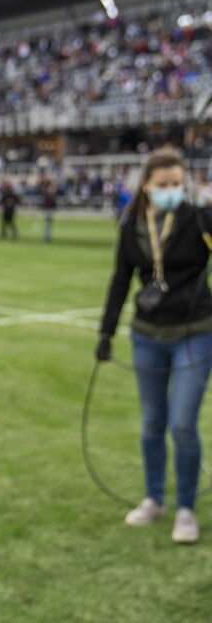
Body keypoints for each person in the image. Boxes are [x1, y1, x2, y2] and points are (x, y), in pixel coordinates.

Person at [96, 148, 212, 544]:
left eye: (177, 184)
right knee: (152, 423)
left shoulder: (199, 219)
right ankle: (154, 499)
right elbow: (119, 280)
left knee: (182, 424)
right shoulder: (132, 226)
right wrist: (106, 333)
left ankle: (185, 508)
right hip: (146, 335)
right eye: (163, 185)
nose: (170, 191)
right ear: (146, 186)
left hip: (195, 334)